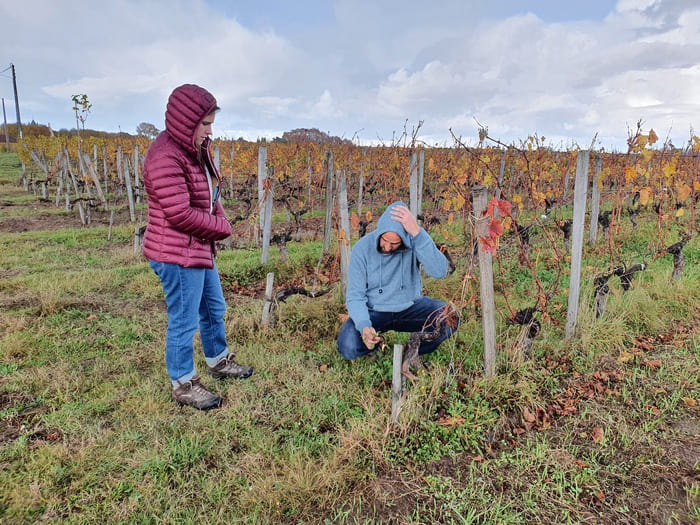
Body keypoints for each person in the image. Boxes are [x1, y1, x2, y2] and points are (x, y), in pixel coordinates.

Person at [143, 84, 253, 410]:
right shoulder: (165, 157)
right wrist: (222, 229)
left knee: (213, 309)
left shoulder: (194, 149)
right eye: (205, 123)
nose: (210, 130)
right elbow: (179, 213)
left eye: (211, 122)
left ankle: (218, 359)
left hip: (197, 248)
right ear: (185, 121)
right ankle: (184, 383)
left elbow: (209, 197)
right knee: (184, 320)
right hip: (176, 254)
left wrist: (219, 219)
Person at [337, 201, 458, 361]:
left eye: (394, 243)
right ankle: (375, 344)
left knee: (450, 318)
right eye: (384, 241)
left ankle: (413, 350)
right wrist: (365, 326)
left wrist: (417, 233)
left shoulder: (415, 241)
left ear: (405, 239)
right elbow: (355, 296)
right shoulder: (362, 248)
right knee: (348, 346)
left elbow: (439, 272)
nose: (387, 247)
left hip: (410, 307)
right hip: (374, 311)